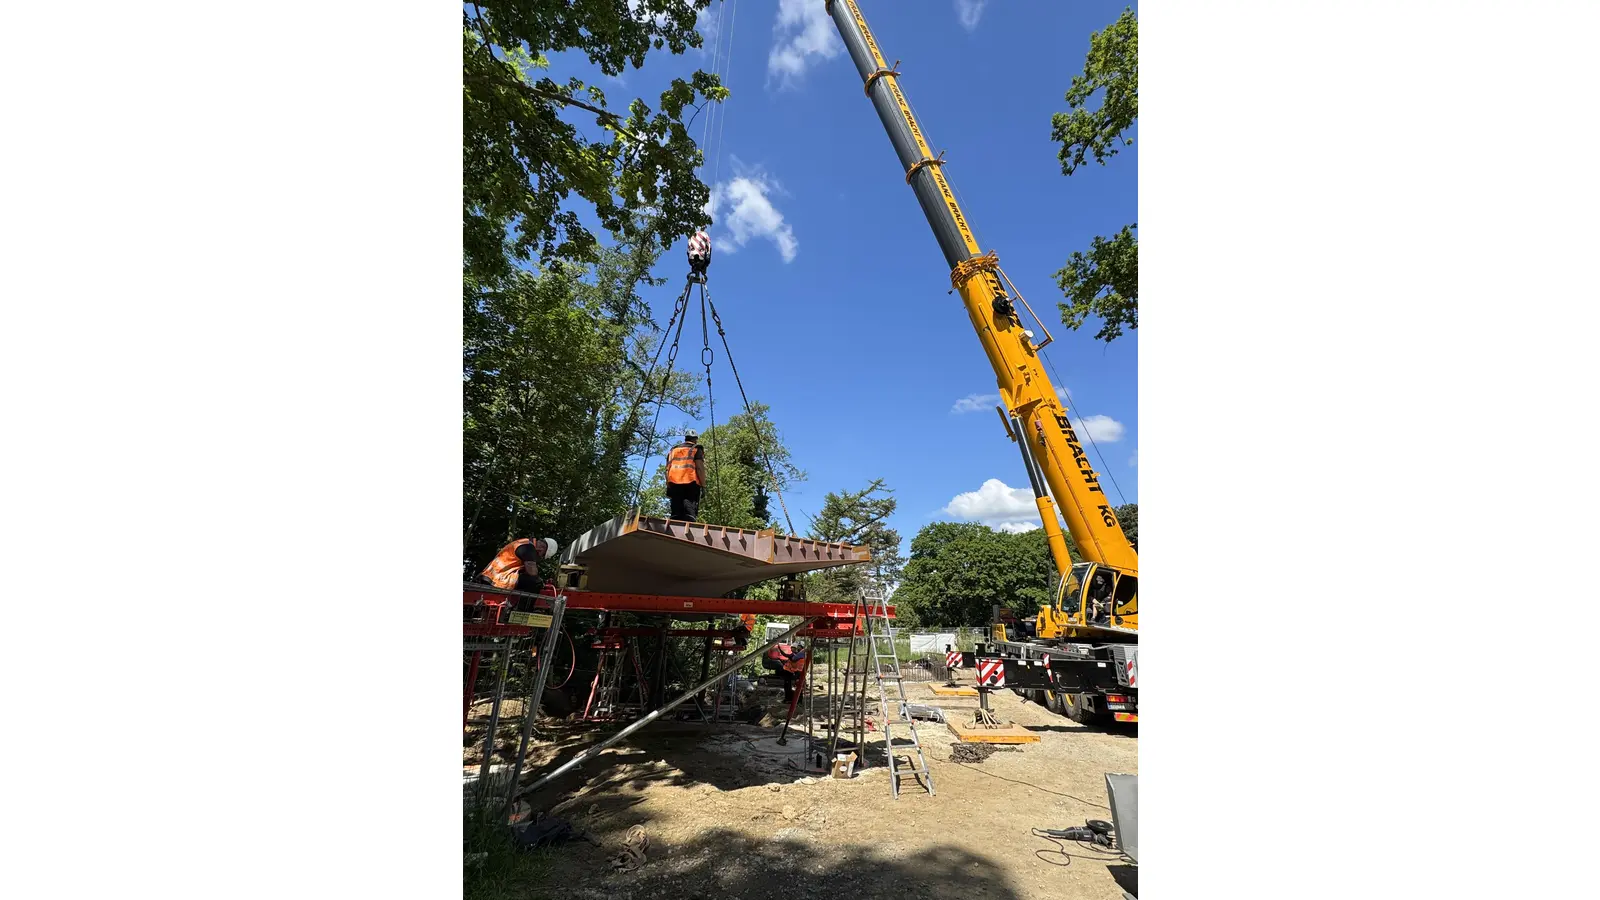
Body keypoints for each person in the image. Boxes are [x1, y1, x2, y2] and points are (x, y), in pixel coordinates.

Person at [481, 537, 558, 594]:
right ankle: (523, 612)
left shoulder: (524, 543)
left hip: (491, 576)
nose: (539, 557)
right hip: (500, 578)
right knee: (536, 582)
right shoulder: (529, 548)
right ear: (542, 548)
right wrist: (542, 581)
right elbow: (532, 572)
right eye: (542, 555)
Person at [665, 429, 707, 521]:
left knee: (676, 511)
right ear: (695, 439)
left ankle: (674, 527)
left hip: (674, 482)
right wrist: (703, 485)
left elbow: (667, 469)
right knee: (689, 512)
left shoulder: (673, 450)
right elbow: (700, 468)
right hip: (690, 481)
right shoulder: (696, 449)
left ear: (685, 438)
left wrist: (668, 486)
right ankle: (689, 528)